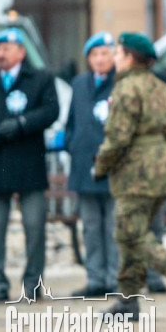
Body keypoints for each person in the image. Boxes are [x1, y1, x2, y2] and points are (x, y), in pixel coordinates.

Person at [93, 32, 166, 316]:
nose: (114, 58)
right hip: (161, 171)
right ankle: (128, 300)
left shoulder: (126, 89)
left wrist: (101, 165)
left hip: (136, 172)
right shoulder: (162, 87)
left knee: (131, 234)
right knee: (133, 234)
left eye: (118, 53)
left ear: (130, 57)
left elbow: (119, 137)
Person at [0, 27, 59, 302]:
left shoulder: (41, 78)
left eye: (6, 48)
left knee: (34, 227)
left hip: (29, 162)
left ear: (21, 52)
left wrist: (21, 124)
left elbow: (50, 110)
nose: (0, 54)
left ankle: (32, 283)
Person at [64, 32, 120, 296]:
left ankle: (114, 278)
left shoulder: (121, 82)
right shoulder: (79, 83)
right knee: (91, 226)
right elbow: (73, 120)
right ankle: (95, 277)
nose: (100, 59)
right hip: (84, 165)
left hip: (112, 166)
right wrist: (72, 145)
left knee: (113, 225)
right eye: (95, 55)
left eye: (105, 54)